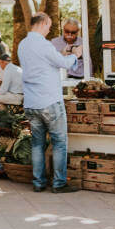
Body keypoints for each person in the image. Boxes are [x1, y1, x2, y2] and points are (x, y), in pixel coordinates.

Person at [17, 12, 81, 193]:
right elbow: (64, 63)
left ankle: (38, 182)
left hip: (31, 101)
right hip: (49, 100)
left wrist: (61, 54)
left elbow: (44, 63)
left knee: (37, 143)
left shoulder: (23, 45)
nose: (50, 29)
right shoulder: (44, 45)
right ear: (43, 23)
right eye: (49, 25)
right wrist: (75, 55)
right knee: (60, 142)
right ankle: (59, 183)